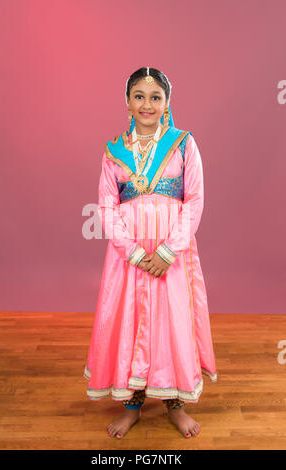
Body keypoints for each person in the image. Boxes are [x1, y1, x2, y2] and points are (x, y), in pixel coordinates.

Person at [83, 67, 217, 439]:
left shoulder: (183, 144)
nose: (147, 104)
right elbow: (107, 207)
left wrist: (168, 251)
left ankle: (175, 403)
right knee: (131, 321)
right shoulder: (114, 150)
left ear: (167, 102)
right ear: (127, 101)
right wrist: (134, 253)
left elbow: (195, 200)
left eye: (155, 97)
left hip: (172, 253)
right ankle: (133, 404)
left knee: (171, 321)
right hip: (130, 257)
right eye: (139, 96)